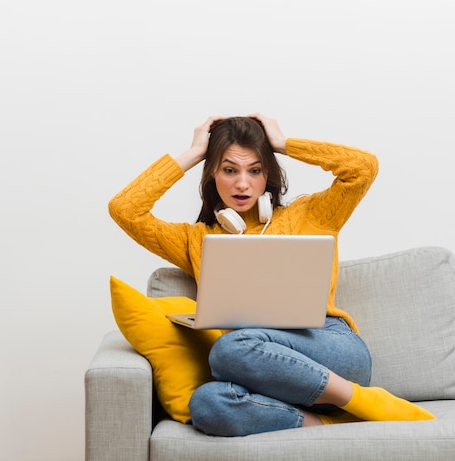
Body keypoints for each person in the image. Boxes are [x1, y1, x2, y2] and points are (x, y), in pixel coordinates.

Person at [108, 114, 435, 436]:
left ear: (268, 175)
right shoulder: (196, 239)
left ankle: (362, 398)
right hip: (262, 369)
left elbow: (363, 168)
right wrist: (194, 153)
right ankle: (335, 419)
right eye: (229, 170)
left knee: (226, 351)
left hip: (330, 347)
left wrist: (283, 144)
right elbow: (125, 208)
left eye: (255, 170)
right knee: (207, 404)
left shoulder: (312, 215)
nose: (242, 183)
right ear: (212, 175)